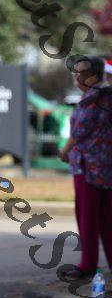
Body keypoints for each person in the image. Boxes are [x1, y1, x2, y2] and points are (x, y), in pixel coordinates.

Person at [60, 55, 112, 280]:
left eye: (80, 72)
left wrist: (65, 150)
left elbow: (79, 131)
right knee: (106, 217)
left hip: (89, 167)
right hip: (105, 166)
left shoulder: (93, 98)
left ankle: (88, 264)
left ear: (92, 76)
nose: (75, 76)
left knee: (88, 217)